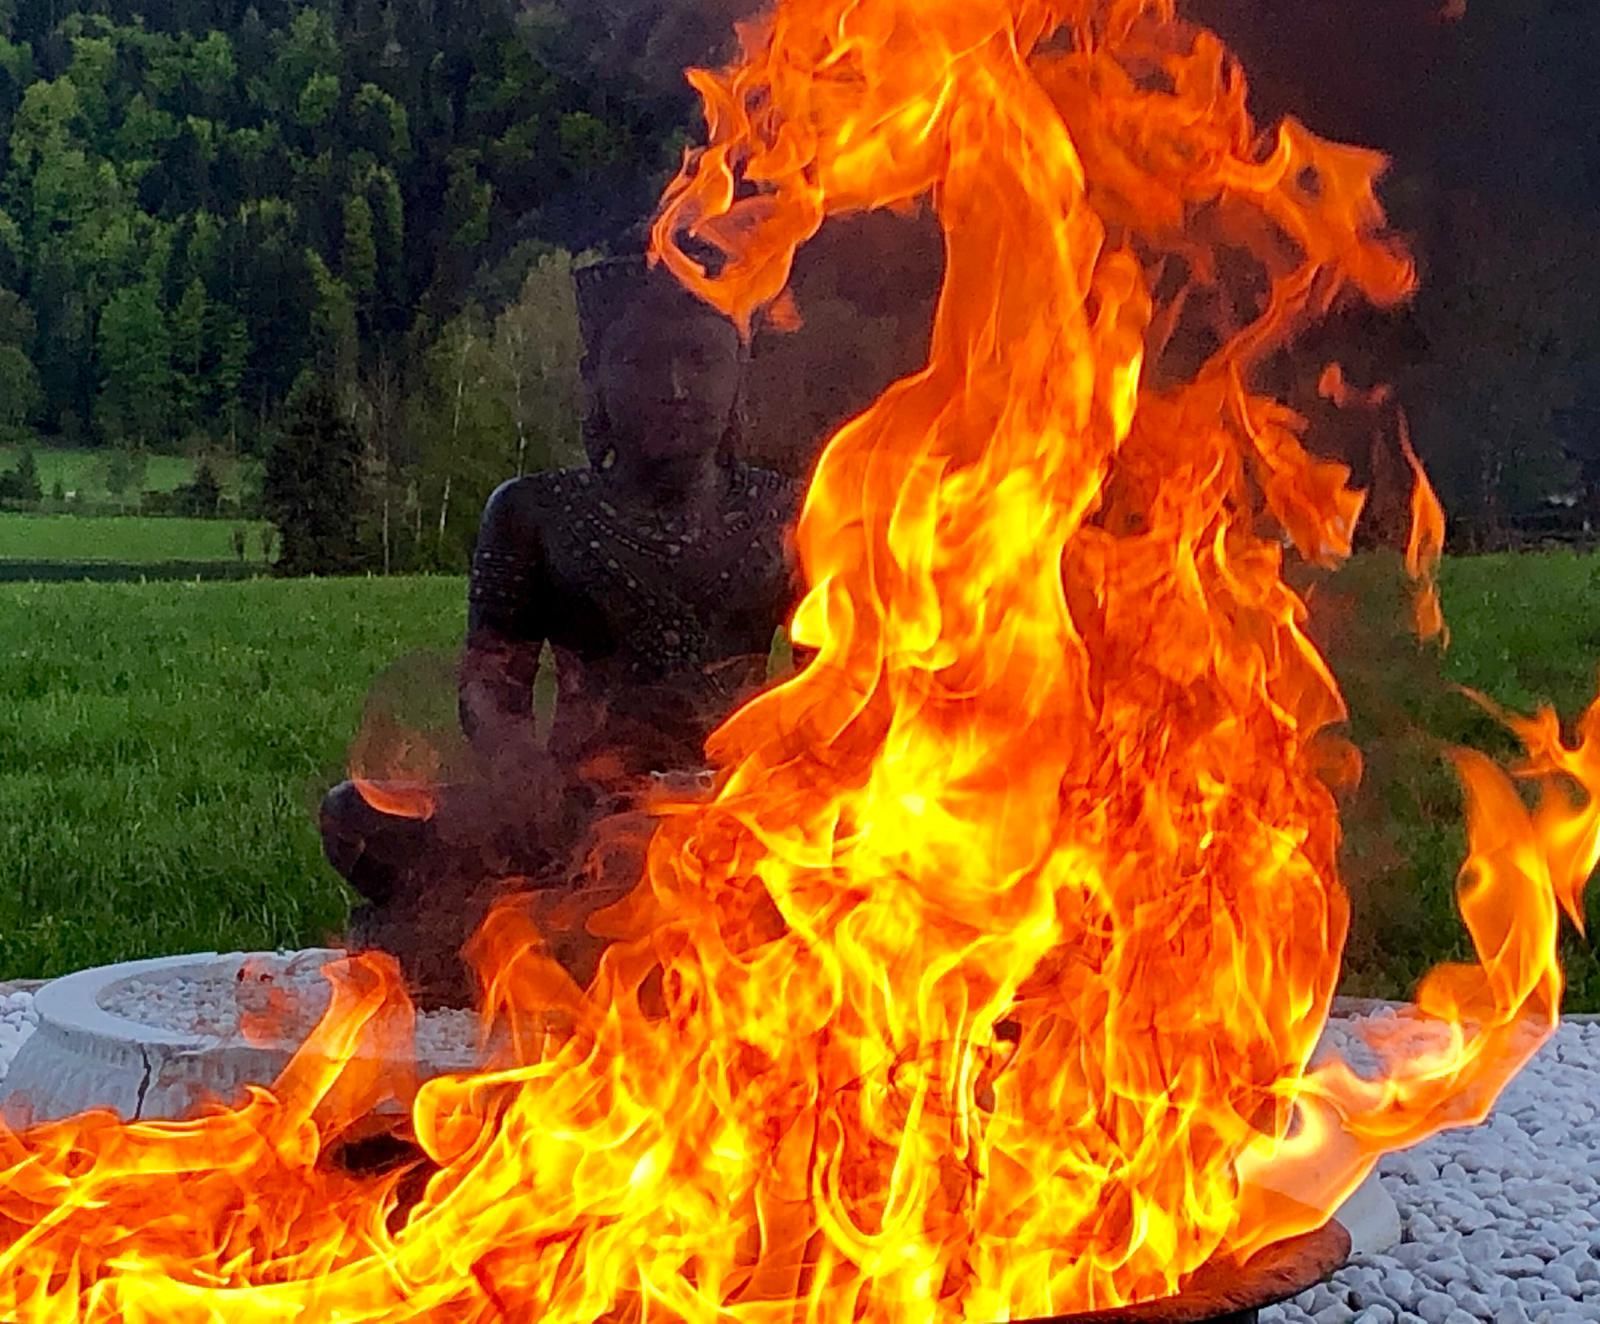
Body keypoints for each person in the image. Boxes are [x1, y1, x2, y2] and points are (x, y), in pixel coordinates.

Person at [320, 250, 803, 1005]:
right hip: (574, 816)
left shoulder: (789, 512)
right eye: (641, 363)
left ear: (740, 372)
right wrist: (533, 780)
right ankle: (576, 925)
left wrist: (767, 787)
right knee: (358, 819)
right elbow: (490, 687)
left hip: (734, 815)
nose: (674, 389)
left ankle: (587, 925)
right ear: (596, 378)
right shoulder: (535, 514)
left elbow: (836, 685)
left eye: (699, 360)